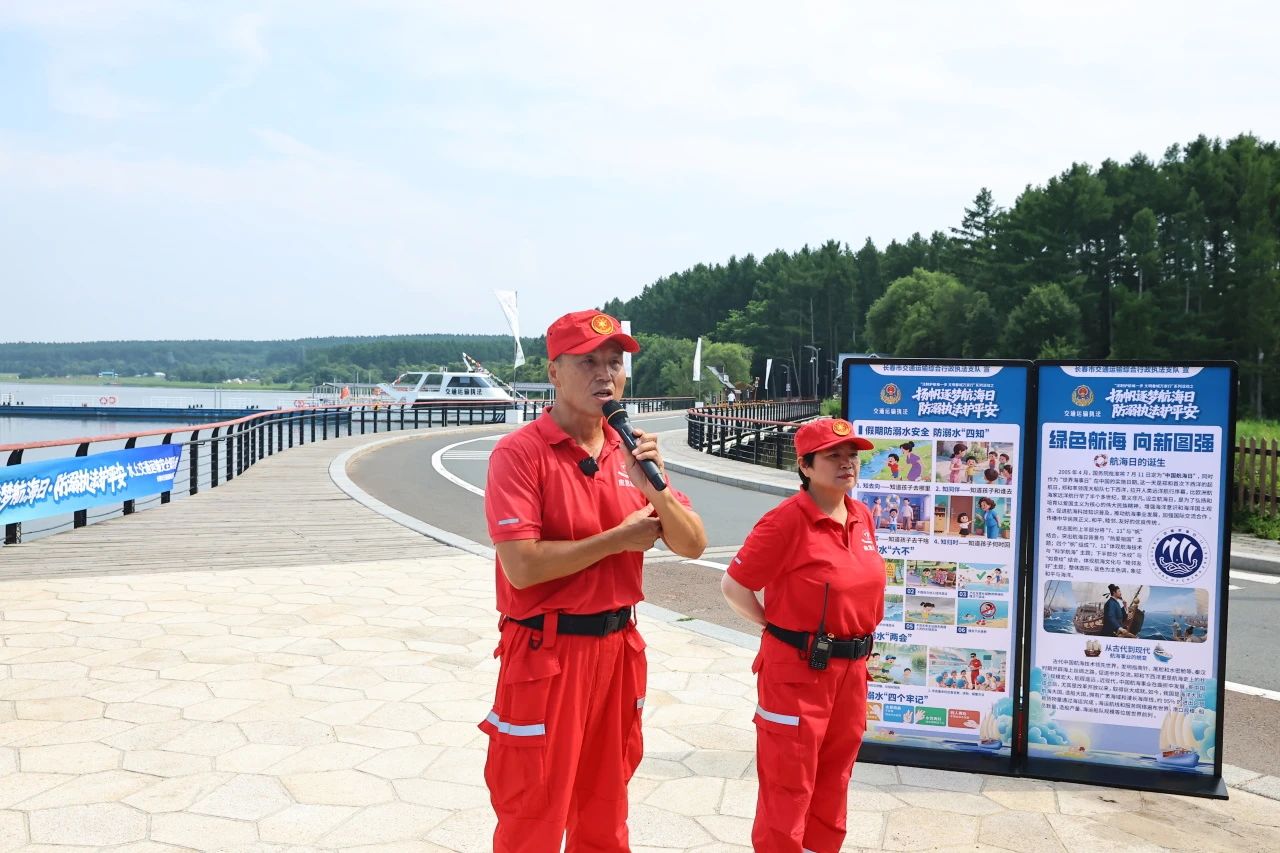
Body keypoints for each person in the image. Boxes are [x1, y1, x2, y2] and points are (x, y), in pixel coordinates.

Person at [481, 309, 708, 852]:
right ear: (554, 372)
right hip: (548, 653)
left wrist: (652, 488)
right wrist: (616, 540)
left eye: (614, 362)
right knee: (533, 814)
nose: (605, 374)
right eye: (588, 362)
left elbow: (693, 544)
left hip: (619, 649)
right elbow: (522, 567)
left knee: (606, 810)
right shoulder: (520, 453)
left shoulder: (628, 449)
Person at [720, 418, 885, 853]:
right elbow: (734, 586)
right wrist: (774, 627)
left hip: (851, 672)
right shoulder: (786, 521)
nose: (847, 463)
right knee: (789, 784)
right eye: (833, 455)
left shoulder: (861, 515)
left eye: (852, 455)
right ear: (805, 466)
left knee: (835, 776)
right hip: (798, 672)